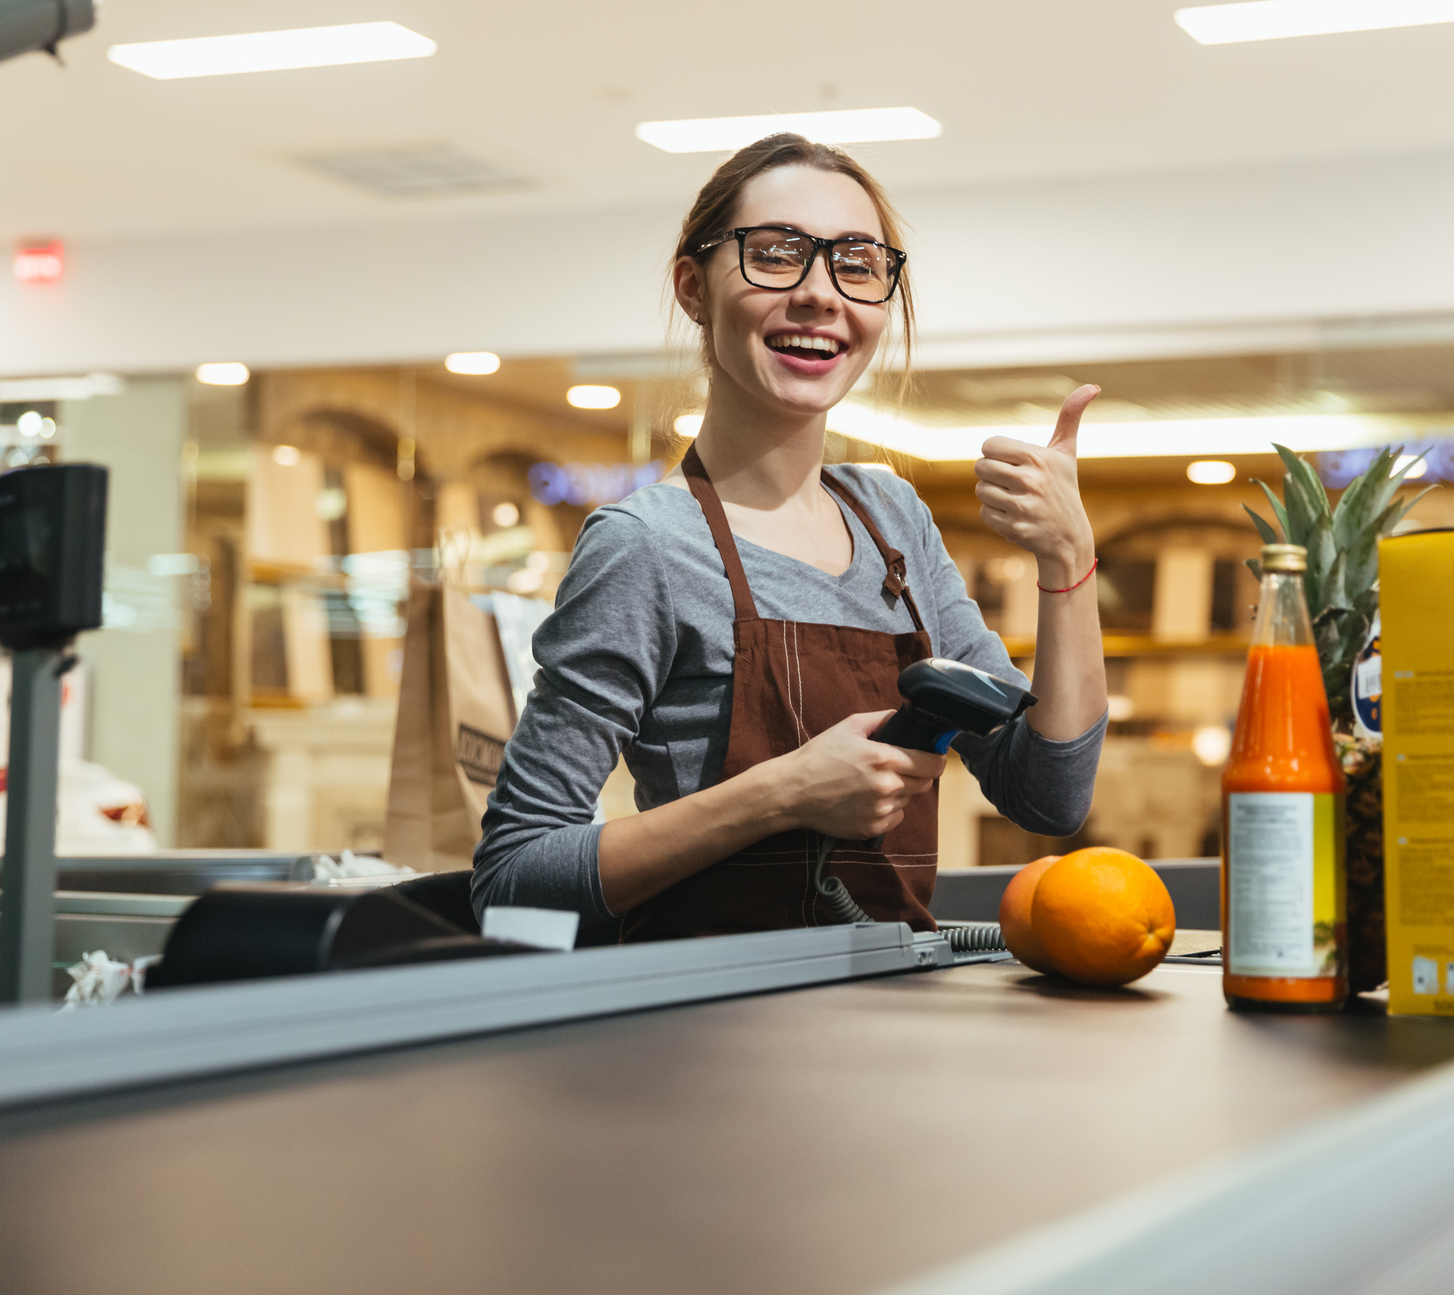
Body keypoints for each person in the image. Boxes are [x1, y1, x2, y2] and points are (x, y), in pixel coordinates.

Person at [472, 134, 1107, 941]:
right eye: (774, 254)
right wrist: (784, 792)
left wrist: (1066, 558)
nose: (819, 293)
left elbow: (1048, 796)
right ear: (692, 289)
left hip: (883, 1026)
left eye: (857, 263)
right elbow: (514, 880)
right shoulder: (647, 546)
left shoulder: (892, 521)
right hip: (706, 1038)